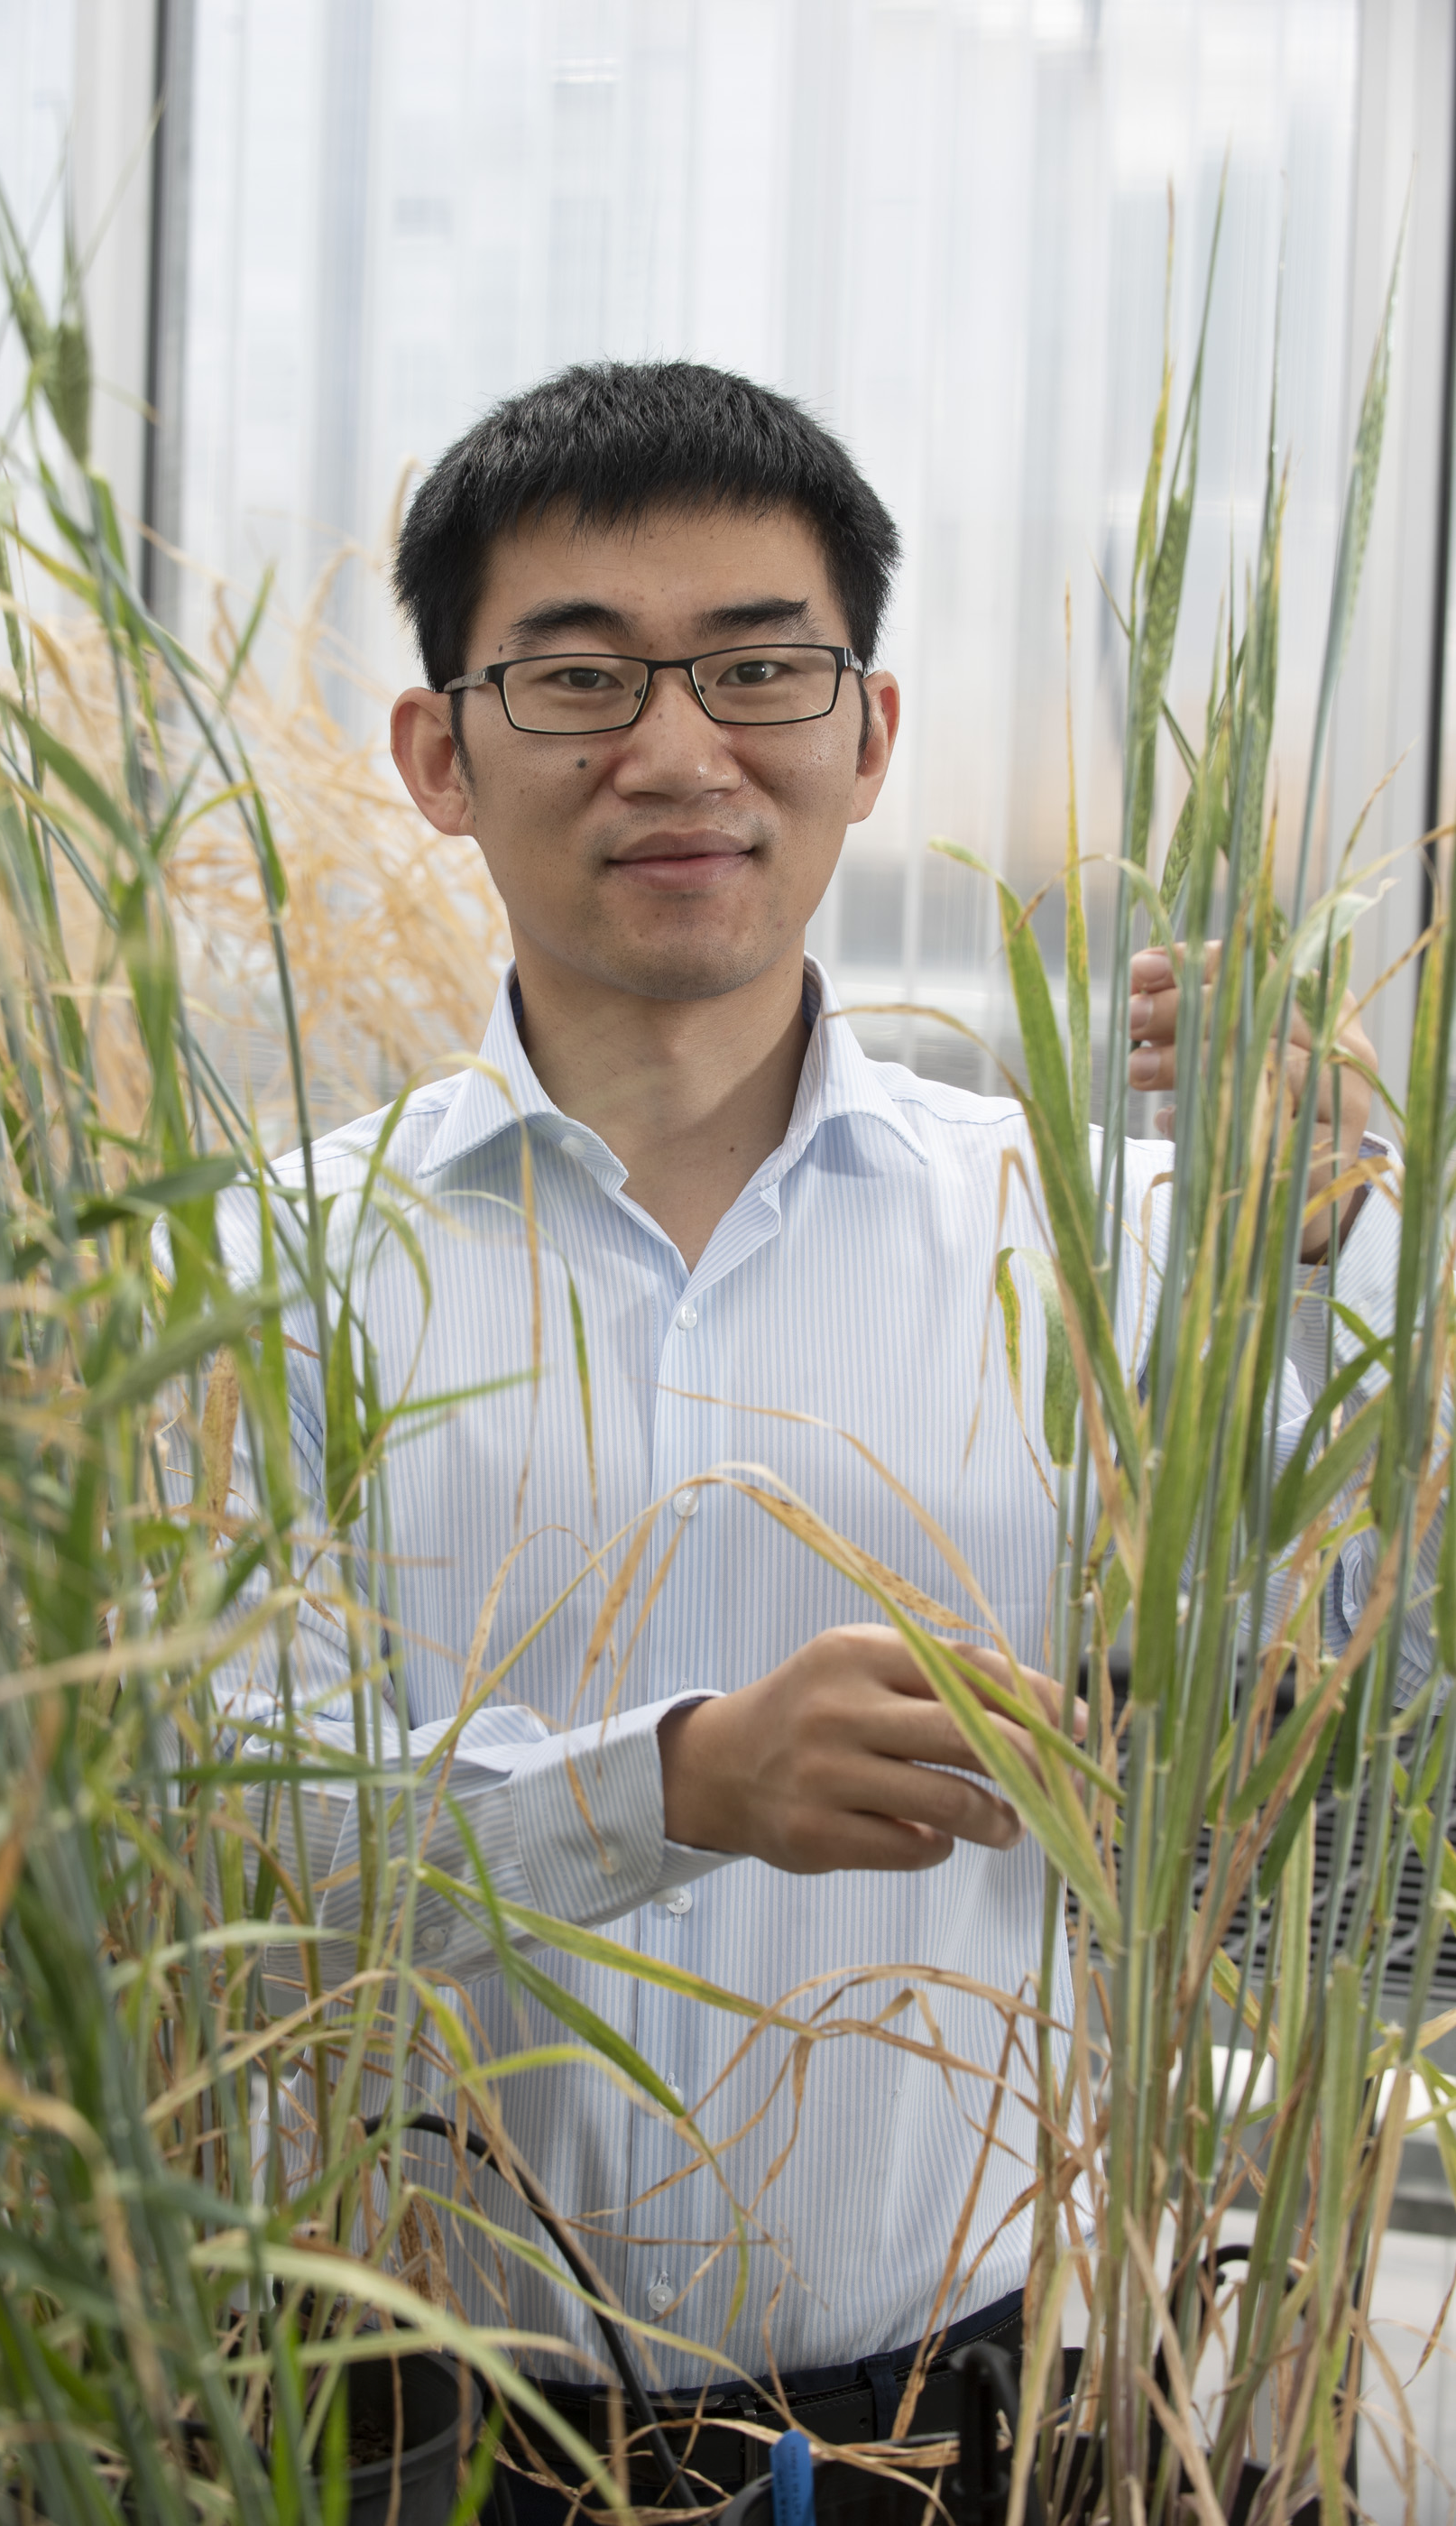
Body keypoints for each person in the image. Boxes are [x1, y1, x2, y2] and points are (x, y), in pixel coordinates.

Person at [205, 362, 1399, 2497]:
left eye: (760, 665)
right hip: (417, 2433)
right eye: (574, 677)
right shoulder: (261, 1269)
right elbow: (224, 1837)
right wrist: (676, 1783)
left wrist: (1335, 1243)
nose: (677, 748)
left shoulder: (1104, 1245)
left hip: (988, 2418)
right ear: (436, 754)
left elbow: (1341, 1696)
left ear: (868, 731)